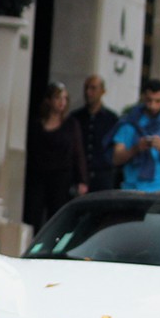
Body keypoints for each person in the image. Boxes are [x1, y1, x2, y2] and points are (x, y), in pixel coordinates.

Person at [23, 80, 88, 230]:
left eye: (65, 98)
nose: (62, 102)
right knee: (34, 213)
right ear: (49, 100)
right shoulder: (37, 125)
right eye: (58, 98)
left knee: (56, 214)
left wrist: (82, 180)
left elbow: (78, 153)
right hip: (39, 175)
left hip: (61, 176)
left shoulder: (71, 124)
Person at [109, 78, 160, 193]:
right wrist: (136, 148)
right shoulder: (130, 123)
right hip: (133, 188)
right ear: (143, 97)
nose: (153, 106)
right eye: (149, 100)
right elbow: (116, 159)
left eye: (158, 101)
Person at [70, 73, 118, 192]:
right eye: (86, 88)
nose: (88, 92)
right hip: (80, 175)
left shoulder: (112, 119)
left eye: (93, 88)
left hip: (103, 174)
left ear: (102, 91)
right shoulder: (76, 118)